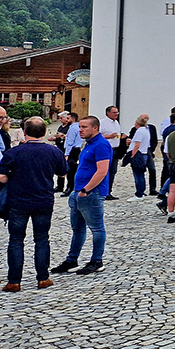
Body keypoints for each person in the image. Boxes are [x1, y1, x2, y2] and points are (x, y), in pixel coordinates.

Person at [0, 117, 69, 292]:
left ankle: (14, 281)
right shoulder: (53, 152)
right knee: (42, 239)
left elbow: (0, 176)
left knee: (16, 240)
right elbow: (62, 173)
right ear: (45, 133)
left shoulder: (14, 153)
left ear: (24, 131)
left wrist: (12, 178)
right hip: (44, 199)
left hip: (18, 201)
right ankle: (43, 278)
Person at [51, 115, 112, 276]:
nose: (80, 130)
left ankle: (96, 261)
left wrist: (86, 190)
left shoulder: (101, 145)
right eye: (80, 127)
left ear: (95, 128)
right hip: (78, 191)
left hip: (92, 193)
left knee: (97, 228)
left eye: (84, 127)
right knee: (77, 228)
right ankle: (72, 260)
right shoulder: (89, 144)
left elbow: (102, 171)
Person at [100, 105, 126, 200]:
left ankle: (108, 192)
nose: (117, 114)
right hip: (106, 149)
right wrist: (109, 136)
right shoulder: (103, 123)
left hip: (115, 149)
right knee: (105, 171)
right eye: (114, 112)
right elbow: (98, 136)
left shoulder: (116, 123)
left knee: (112, 171)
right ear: (108, 113)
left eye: (117, 112)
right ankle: (103, 191)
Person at [126, 114, 151, 201]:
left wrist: (132, 155)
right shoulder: (146, 131)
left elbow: (137, 144)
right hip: (143, 153)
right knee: (141, 174)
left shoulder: (139, 131)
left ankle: (139, 194)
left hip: (138, 154)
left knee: (138, 175)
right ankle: (141, 192)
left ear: (137, 123)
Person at [49, 111, 71, 193]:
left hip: (65, 148)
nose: (60, 120)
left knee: (66, 167)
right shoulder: (61, 126)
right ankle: (59, 186)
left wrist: (62, 136)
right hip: (59, 148)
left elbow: (68, 137)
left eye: (62, 118)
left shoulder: (69, 127)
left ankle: (68, 186)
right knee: (59, 167)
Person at [62, 112, 82, 197]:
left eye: (68, 118)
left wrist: (67, 154)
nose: (67, 120)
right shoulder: (79, 127)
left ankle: (70, 188)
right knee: (75, 170)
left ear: (73, 118)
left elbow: (70, 142)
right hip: (78, 149)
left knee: (70, 171)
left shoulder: (72, 128)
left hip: (72, 150)